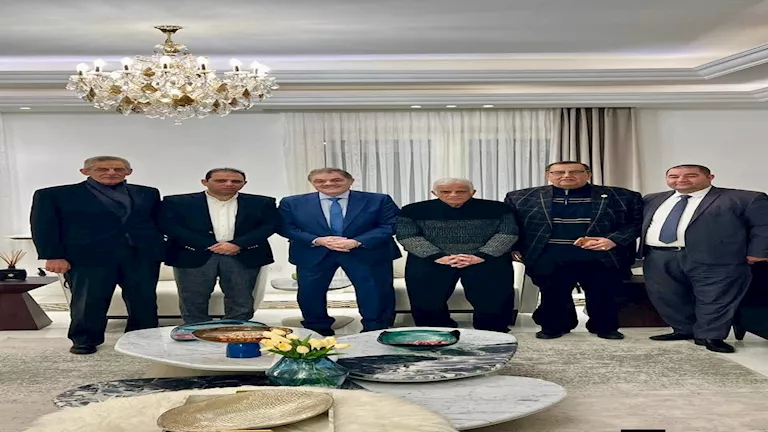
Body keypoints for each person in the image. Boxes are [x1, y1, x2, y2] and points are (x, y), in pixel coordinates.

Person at [30, 156, 165, 355]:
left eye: (118, 169)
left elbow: (157, 222)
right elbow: (44, 226)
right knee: (88, 302)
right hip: (88, 257)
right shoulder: (54, 195)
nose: (111, 172)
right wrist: (53, 255)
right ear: (85, 171)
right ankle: (84, 340)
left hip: (140, 256)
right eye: (103, 169)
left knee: (143, 301)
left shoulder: (148, 193)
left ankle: (142, 338)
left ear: (129, 172)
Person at [505, 161, 642, 340]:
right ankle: (554, 327)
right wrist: (514, 248)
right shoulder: (521, 197)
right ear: (548, 175)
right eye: (559, 172)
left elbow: (637, 223)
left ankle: (605, 327)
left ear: (588, 174)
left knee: (603, 293)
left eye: (575, 172)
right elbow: (510, 226)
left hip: (601, 254)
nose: (567, 175)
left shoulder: (623, 196)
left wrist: (614, 240)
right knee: (553, 294)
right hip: (548, 254)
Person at [642, 164, 768, 353]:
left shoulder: (745, 198)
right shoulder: (652, 199)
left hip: (718, 258)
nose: (681, 180)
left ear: (710, 177)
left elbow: (763, 226)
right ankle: (684, 330)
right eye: (673, 176)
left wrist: (759, 252)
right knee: (666, 296)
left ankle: (711, 336)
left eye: (691, 175)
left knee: (714, 298)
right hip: (659, 256)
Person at [278, 168, 400, 336]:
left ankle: (375, 330)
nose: (328, 184)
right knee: (310, 293)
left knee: (375, 292)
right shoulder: (292, 202)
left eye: (336, 180)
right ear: (312, 183)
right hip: (314, 252)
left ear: (350, 181)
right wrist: (317, 240)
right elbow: (285, 227)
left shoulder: (378, 200)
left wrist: (357, 242)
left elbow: (391, 224)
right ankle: (318, 330)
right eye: (320, 181)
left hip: (366, 252)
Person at [160, 168, 281, 324]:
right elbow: (170, 226)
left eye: (236, 181)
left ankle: (236, 329)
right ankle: (196, 329)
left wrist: (238, 244)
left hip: (242, 254)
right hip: (192, 254)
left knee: (241, 297)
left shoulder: (262, 203)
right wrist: (209, 245)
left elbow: (269, 226)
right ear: (205, 182)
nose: (229, 184)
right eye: (221, 180)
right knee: (193, 298)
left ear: (244, 183)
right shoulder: (177, 202)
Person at [396, 178, 518, 332]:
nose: (453, 195)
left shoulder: (499, 208)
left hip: (485, 259)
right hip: (432, 259)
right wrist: (438, 257)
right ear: (434, 193)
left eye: (460, 191)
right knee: (426, 299)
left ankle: (493, 331)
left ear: (473, 192)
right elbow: (407, 236)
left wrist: (482, 255)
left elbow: (508, 233)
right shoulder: (412, 210)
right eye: (446, 191)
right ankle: (436, 331)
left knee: (494, 298)